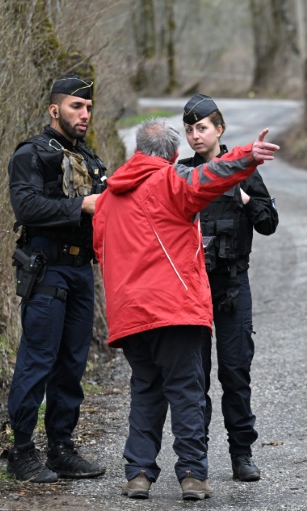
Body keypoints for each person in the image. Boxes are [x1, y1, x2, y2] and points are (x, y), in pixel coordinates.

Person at [92, 118, 279, 500]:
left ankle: (139, 474)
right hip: (173, 310)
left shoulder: (108, 197)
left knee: (145, 389)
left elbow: (101, 250)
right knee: (186, 392)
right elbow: (212, 175)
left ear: (137, 152)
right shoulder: (172, 182)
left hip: (130, 314)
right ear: (175, 156)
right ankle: (192, 474)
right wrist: (248, 157)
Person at [6, 74, 107, 483]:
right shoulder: (32, 153)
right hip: (47, 270)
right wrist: (82, 204)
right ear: (55, 110)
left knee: (71, 365)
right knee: (38, 361)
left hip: (83, 271)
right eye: (75, 107)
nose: (84, 114)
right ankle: (21, 452)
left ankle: (61, 448)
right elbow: (26, 206)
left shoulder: (91, 159)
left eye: (87, 108)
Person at [179, 94, 278, 482]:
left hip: (233, 284)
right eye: (189, 129)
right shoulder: (182, 173)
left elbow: (269, 223)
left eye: (201, 128)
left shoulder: (243, 170)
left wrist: (243, 195)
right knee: (194, 375)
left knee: (235, 372)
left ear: (219, 130)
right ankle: (196, 457)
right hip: (192, 287)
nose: (194, 136)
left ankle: (242, 453)